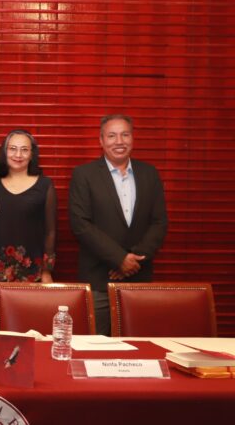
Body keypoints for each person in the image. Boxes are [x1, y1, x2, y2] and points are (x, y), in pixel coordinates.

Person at [69, 114, 168, 335]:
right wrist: (119, 259)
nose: (119, 141)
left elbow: (159, 222)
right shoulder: (84, 174)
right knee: (96, 348)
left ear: (133, 138)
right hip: (98, 280)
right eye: (112, 136)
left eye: (125, 135)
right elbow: (81, 224)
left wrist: (133, 261)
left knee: (139, 346)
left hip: (138, 278)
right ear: (101, 140)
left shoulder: (149, 174)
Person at [0, 130, 56, 283]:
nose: (18, 155)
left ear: (32, 154)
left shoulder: (45, 185)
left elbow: (50, 231)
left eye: (24, 150)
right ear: (5, 151)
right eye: (13, 149)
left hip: (32, 268)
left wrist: (47, 270)